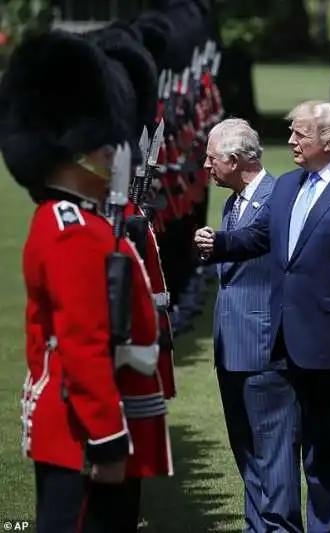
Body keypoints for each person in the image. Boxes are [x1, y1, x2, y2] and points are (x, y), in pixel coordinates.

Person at [194, 100, 330, 533]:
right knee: (318, 462)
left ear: (329, 140)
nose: (289, 141)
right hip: (297, 347)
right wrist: (220, 243)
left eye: (299, 134)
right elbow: (257, 237)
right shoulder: (289, 186)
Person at [2, 29, 172, 532]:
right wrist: (106, 438)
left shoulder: (88, 223)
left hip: (100, 416)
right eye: (105, 148)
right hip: (83, 430)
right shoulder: (71, 230)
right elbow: (82, 345)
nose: (114, 155)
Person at [204, 118, 302, 533]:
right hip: (232, 347)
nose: (206, 166)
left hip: (265, 348)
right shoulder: (234, 201)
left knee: (274, 454)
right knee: (245, 451)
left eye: (211, 158)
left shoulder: (277, 196)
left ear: (235, 159)